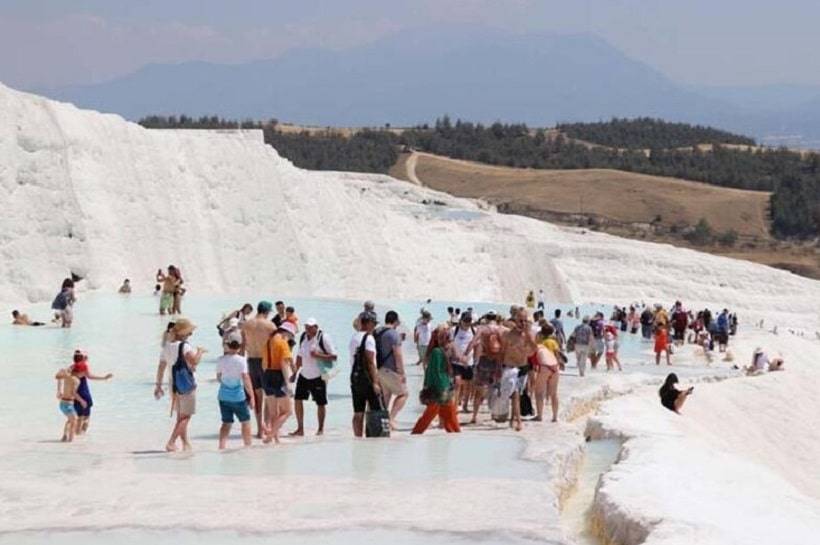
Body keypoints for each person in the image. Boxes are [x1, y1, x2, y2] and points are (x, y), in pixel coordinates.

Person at [154, 319, 205, 451]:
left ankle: (185, 443)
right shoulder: (184, 346)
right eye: (189, 333)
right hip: (186, 384)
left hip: (173, 384)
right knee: (186, 416)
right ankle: (171, 442)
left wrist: (158, 386)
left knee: (180, 416)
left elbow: (161, 367)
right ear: (183, 333)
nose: (190, 335)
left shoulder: (166, 347)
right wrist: (200, 351)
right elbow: (194, 361)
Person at [291, 317, 337, 436]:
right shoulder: (303, 337)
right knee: (297, 400)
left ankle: (320, 429)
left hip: (318, 376)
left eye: (310, 327)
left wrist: (318, 355)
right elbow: (299, 356)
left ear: (316, 327)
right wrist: (295, 373)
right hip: (304, 375)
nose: (308, 329)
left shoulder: (323, 338)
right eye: (306, 327)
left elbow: (334, 356)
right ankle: (300, 428)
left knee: (320, 403)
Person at [412, 326, 461, 434]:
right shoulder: (437, 352)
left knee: (447, 415)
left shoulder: (438, 351)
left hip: (441, 388)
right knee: (442, 415)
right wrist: (443, 389)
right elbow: (436, 372)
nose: (449, 340)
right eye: (447, 337)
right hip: (440, 389)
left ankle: (455, 435)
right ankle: (456, 435)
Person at [239, 301, 276, 438]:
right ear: (266, 312)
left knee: (257, 396)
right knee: (268, 395)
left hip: (250, 361)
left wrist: (241, 364)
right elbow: (275, 345)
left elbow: (242, 346)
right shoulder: (270, 325)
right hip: (265, 362)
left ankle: (260, 430)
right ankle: (267, 425)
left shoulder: (246, 325)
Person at [500, 307, 537, 431]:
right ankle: (518, 421)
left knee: (518, 394)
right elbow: (502, 351)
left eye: (525, 321)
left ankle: (512, 418)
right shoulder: (508, 335)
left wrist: (527, 336)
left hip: (523, 367)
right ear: (515, 320)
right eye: (520, 321)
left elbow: (533, 350)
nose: (523, 323)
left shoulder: (529, 335)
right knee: (515, 393)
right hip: (510, 367)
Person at [216, 334, 255, 449]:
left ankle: (221, 446)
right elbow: (245, 378)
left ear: (227, 345)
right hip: (238, 397)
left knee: (226, 423)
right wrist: (252, 396)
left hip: (223, 396)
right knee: (245, 421)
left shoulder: (220, 360)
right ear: (240, 346)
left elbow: (219, 377)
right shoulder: (242, 360)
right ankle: (247, 446)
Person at [261, 321, 297, 444]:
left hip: (267, 375)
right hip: (278, 376)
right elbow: (283, 364)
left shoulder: (268, 341)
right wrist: (288, 384)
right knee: (287, 411)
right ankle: (270, 436)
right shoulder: (282, 342)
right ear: (286, 332)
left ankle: (276, 438)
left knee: (273, 412)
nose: (290, 338)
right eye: (291, 335)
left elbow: (264, 363)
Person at [467, 311, 505, 425]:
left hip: (484, 361)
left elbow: (473, 342)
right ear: (496, 318)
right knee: (496, 388)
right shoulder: (501, 329)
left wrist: (465, 354)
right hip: (497, 361)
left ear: (486, 318)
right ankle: (494, 413)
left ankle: (474, 416)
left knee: (480, 390)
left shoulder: (482, 329)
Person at [349, 311, 382, 437]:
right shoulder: (369, 338)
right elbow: (370, 362)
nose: (374, 326)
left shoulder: (354, 337)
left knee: (358, 412)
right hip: (367, 379)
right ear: (367, 323)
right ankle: (373, 439)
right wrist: (375, 382)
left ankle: (358, 438)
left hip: (355, 378)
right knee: (375, 410)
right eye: (373, 323)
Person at [374, 311, 407, 431]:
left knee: (386, 396)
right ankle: (391, 419)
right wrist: (401, 372)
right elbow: (397, 354)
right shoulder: (393, 334)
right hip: (391, 369)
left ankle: (381, 425)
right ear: (396, 321)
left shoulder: (377, 331)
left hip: (379, 369)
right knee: (403, 394)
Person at [71, 350, 113, 435]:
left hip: (75, 396)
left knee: (79, 417)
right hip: (84, 394)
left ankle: (77, 437)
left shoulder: (71, 369)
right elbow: (90, 376)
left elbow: (75, 368)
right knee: (86, 417)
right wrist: (104, 378)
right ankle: (82, 436)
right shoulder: (84, 367)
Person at [450, 312, 476, 414]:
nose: (467, 323)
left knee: (468, 385)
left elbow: (476, 345)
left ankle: (464, 405)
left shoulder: (474, 331)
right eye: (465, 321)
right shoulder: (454, 330)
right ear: (461, 320)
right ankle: (455, 405)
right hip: (456, 362)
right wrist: (459, 357)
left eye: (469, 321)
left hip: (469, 362)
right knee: (457, 383)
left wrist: (472, 358)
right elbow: (451, 344)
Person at [533, 325, 561, 422]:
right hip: (554, 366)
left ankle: (540, 416)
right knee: (554, 393)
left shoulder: (539, 344)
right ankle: (555, 417)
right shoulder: (553, 342)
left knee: (539, 392)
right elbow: (557, 354)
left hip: (544, 367)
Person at [55, 364, 86, 442]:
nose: (84, 374)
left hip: (62, 404)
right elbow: (73, 393)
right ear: (80, 372)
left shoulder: (67, 376)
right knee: (74, 421)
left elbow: (57, 376)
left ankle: (65, 436)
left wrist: (58, 390)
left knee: (71, 420)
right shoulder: (76, 380)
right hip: (68, 404)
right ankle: (70, 442)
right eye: (84, 372)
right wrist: (82, 401)